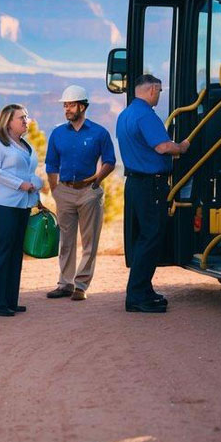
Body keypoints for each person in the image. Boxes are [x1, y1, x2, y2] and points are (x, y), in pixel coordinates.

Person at [116, 74, 189, 313]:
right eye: (159, 91)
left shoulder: (125, 114)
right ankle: (137, 296)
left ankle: (143, 289)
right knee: (151, 236)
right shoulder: (146, 115)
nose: (159, 95)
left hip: (134, 184)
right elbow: (162, 146)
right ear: (152, 90)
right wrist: (181, 147)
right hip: (151, 184)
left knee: (142, 237)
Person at [45, 85, 116, 301]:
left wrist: (98, 179)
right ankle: (65, 283)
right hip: (64, 191)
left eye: (71, 105)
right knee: (65, 240)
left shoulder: (99, 133)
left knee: (89, 241)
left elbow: (110, 161)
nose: (67, 109)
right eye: (65, 105)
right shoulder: (57, 133)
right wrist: (55, 191)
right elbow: (51, 165)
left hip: (89, 192)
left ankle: (81, 285)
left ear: (83, 106)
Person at [0, 104, 41, 317]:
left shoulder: (25, 145)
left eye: (26, 117)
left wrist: (36, 185)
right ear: (8, 121)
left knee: (16, 251)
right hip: (2, 204)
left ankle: (10, 300)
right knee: (2, 249)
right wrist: (21, 184)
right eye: (21, 118)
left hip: (22, 204)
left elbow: (30, 172)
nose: (26, 121)